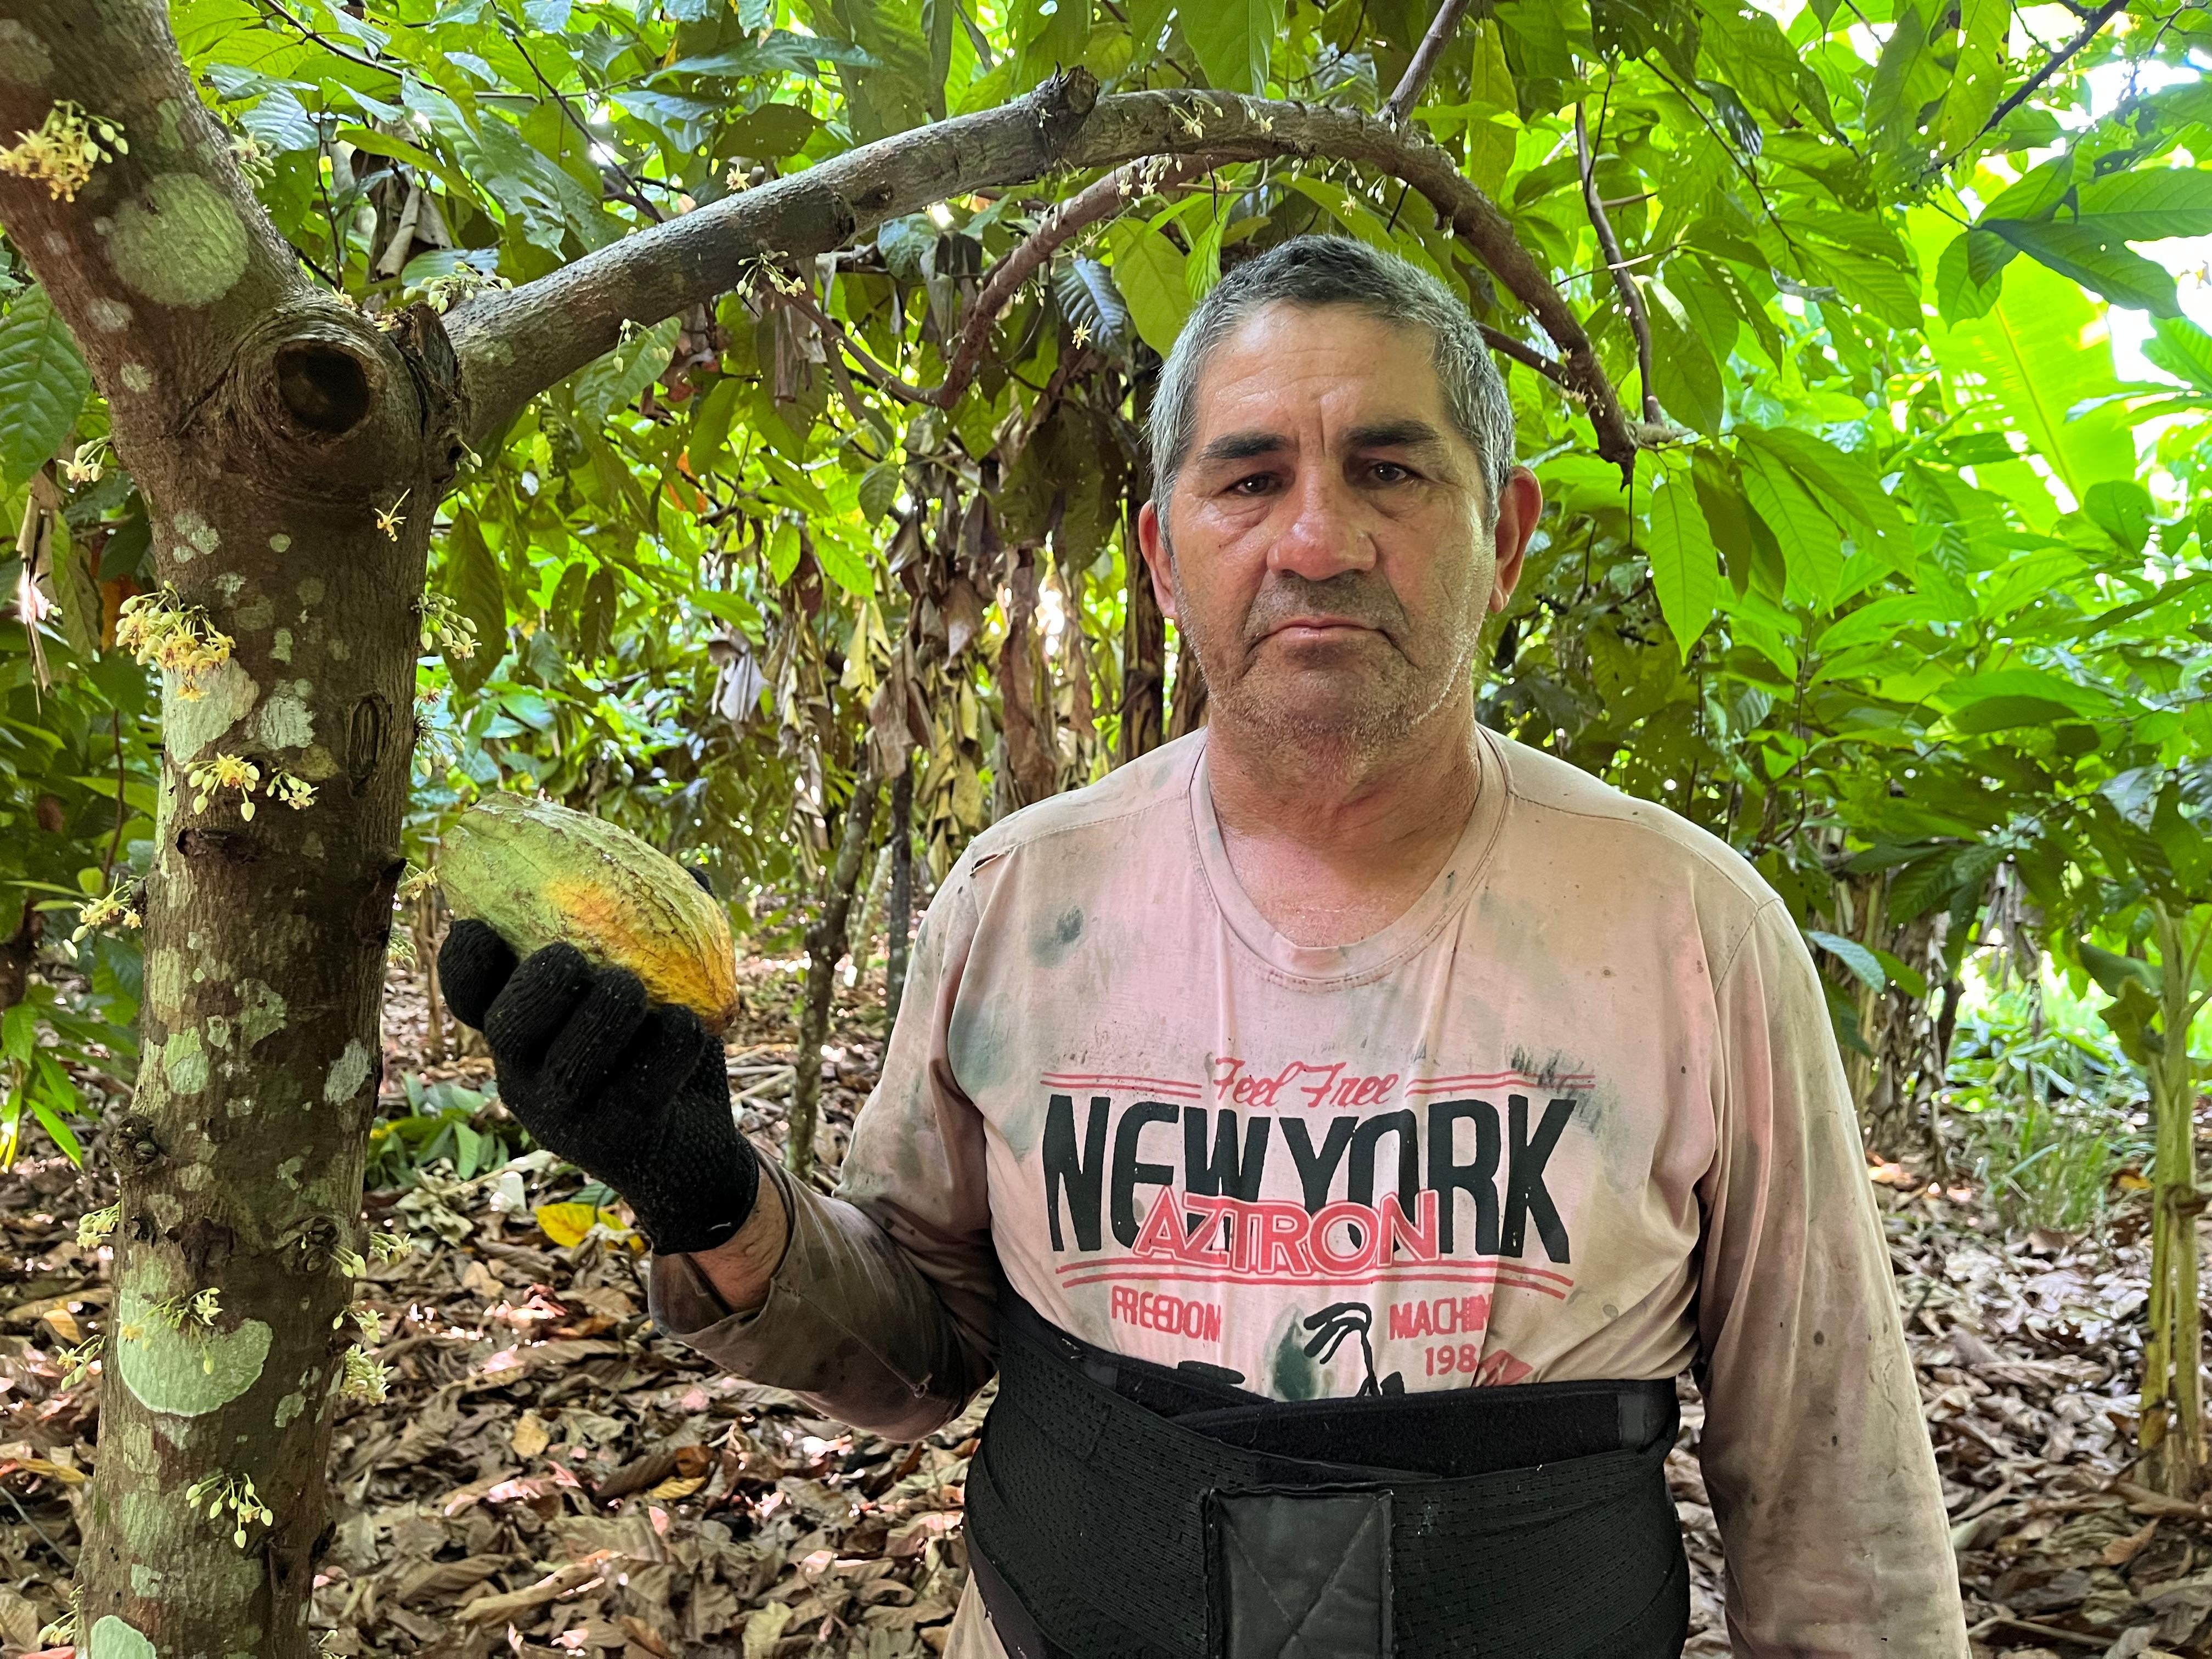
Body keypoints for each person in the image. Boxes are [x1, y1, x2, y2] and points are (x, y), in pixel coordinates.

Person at [441, 235, 1968, 1658]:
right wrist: (707, 1197)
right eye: (1249, 480)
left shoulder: (1690, 930)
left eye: (1389, 469)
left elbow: (1836, 1492)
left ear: (1504, 539)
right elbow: (919, 1352)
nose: (1319, 538)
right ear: (1168, 561)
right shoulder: (1021, 904)